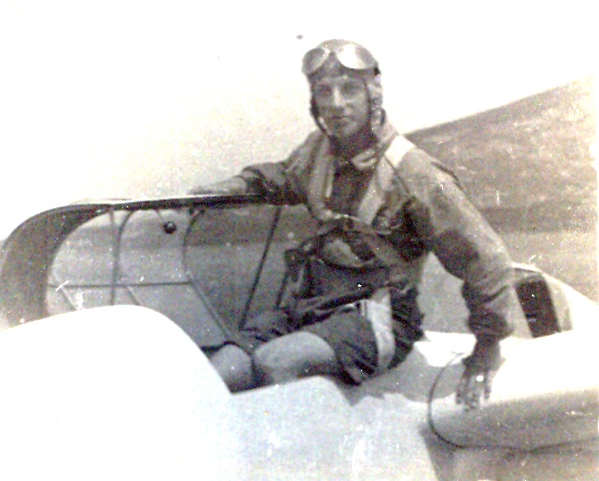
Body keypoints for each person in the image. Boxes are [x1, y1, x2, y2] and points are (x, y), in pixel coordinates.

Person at [191, 39, 526, 409]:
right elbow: (285, 176)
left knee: (276, 362)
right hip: (311, 306)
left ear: (372, 95)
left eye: (349, 89)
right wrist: (237, 186)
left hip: (378, 318)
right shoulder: (318, 150)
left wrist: (487, 346)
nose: (336, 103)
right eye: (324, 91)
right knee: (221, 371)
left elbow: (487, 259)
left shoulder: (417, 172)